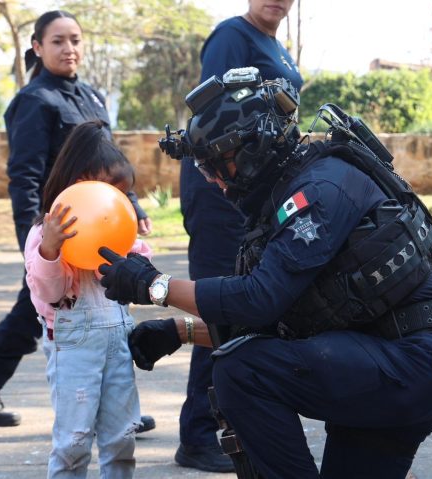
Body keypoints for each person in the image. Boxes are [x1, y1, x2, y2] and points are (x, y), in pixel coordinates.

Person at [97, 69, 432, 478]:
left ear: (252, 149)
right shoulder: (298, 186)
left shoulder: (319, 190)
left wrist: (154, 285)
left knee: (243, 370)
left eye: (218, 167)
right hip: (387, 360)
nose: (216, 182)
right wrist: (179, 331)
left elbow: (259, 299)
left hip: (409, 365)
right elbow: (282, 320)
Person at [0, 10, 155, 432]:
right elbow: (24, 176)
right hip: (57, 234)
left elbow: (109, 164)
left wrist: (132, 206)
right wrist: (33, 243)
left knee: (80, 311)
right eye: (58, 41)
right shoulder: (35, 101)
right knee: (34, 312)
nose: (69, 49)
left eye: (75, 40)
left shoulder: (92, 97)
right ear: (38, 47)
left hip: (97, 232)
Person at [177, 0, 301, 472]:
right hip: (221, 195)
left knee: (248, 310)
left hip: (254, 195)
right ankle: (197, 434)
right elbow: (213, 119)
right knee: (220, 305)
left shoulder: (275, 46)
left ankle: (232, 424)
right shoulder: (232, 36)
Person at [25, 121, 144, 478]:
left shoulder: (120, 234)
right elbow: (48, 294)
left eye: (124, 197)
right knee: (74, 442)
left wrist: (133, 258)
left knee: (122, 437)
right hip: (73, 351)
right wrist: (51, 250)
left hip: (117, 347)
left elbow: (141, 277)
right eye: (111, 194)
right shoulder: (44, 235)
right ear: (78, 186)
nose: (116, 206)